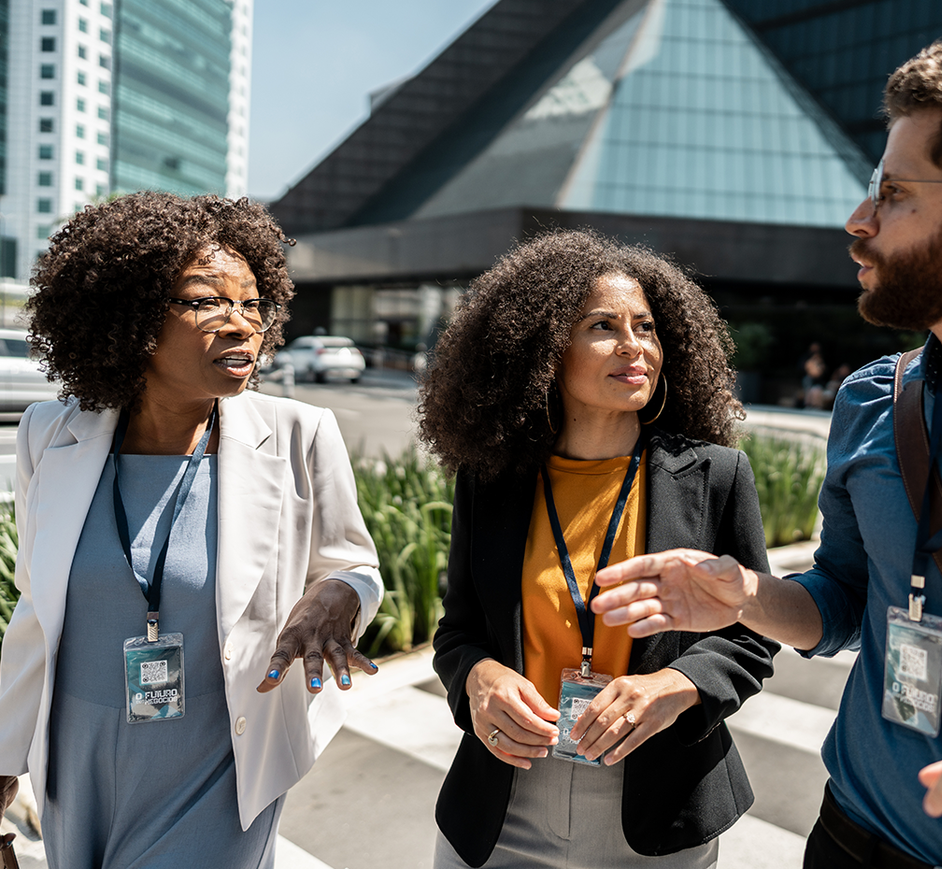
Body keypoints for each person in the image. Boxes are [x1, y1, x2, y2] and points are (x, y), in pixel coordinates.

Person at [591, 34, 942, 868]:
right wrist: (743, 595)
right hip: (856, 837)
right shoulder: (872, 398)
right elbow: (845, 597)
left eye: (893, 193)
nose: (858, 221)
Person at [0, 192, 382, 868]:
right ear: (131, 318)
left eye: (253, 304)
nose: (242, 324)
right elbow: (36, 608)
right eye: (207, 301)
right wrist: (3, 754)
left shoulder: (300, 435)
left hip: (220, 757)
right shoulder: (48, 435)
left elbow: (354, 565)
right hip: (74, 758)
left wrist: (343, 594)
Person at [419, 229, 779, 868]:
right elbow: (460, 631)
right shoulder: (492, 481)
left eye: (645, 326)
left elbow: (753, 633)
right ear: (545, 349)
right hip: (504, 799)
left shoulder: (716, 474)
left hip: (660, 806)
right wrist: (477, 677)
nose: (633, 345)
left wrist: (675, 685)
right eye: (603, 326)